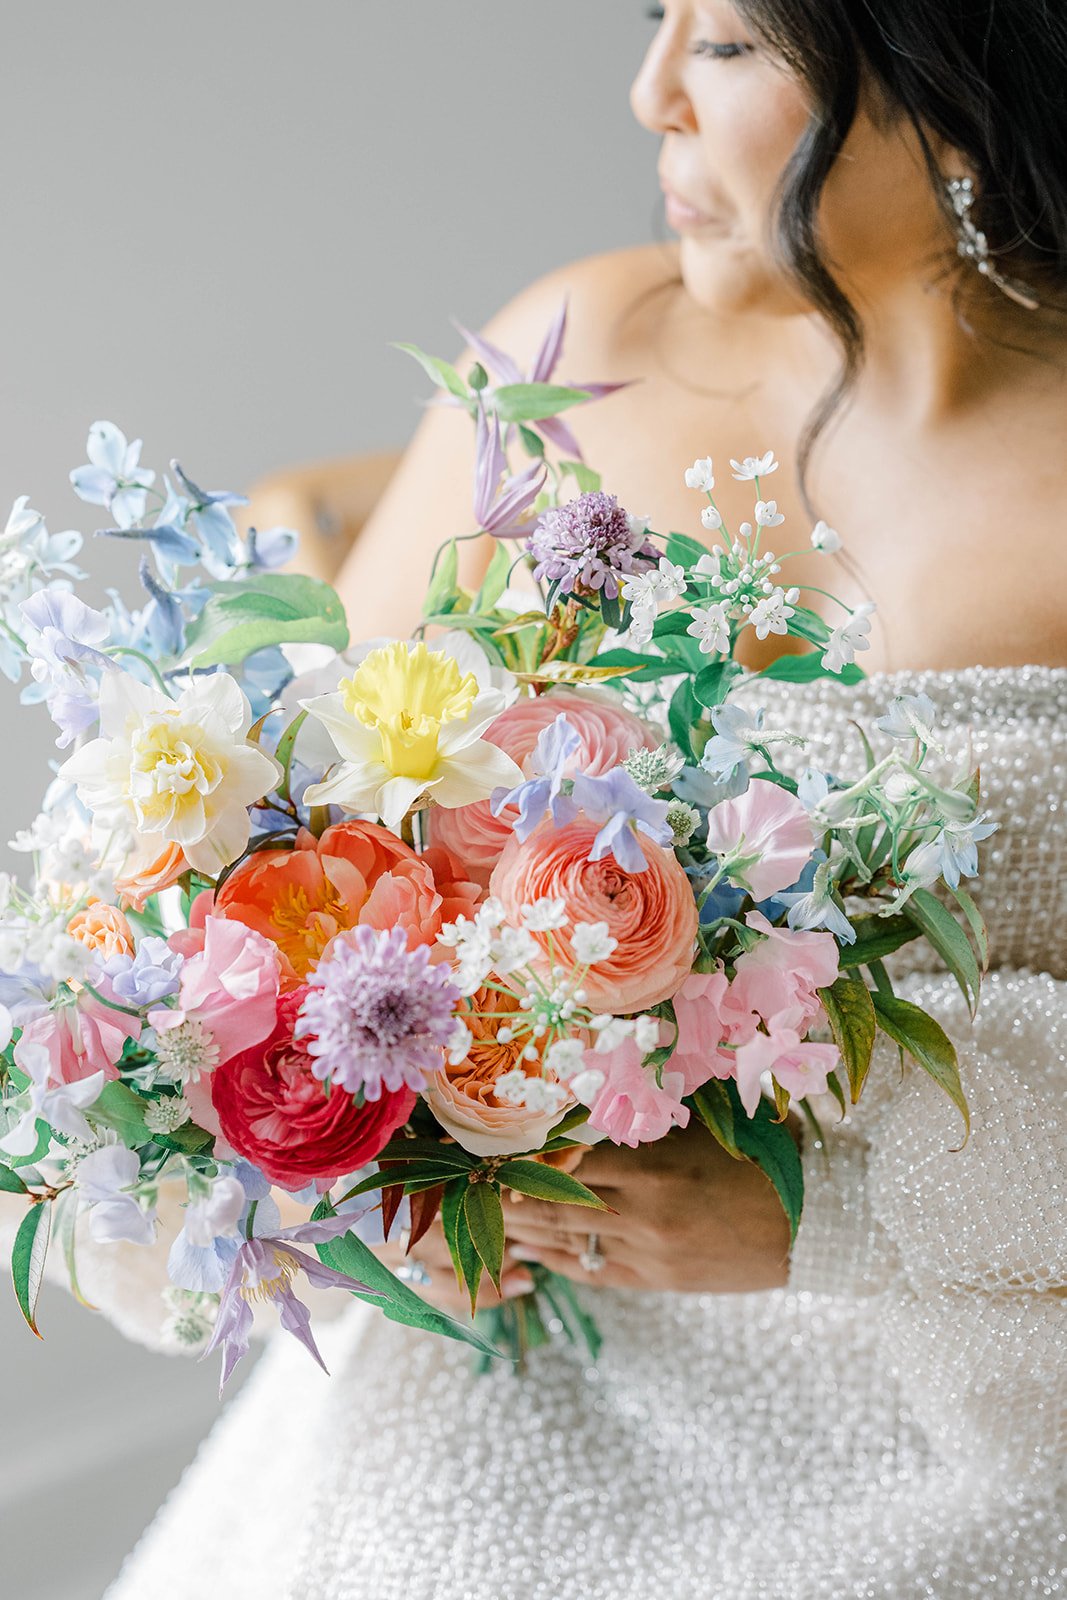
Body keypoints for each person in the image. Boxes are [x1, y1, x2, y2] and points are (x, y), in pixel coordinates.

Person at [104, 3, 1067, 1596]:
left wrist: (827, 1221)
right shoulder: (568, 361)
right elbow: (308, 865)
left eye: (736, 45)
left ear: (966, 76)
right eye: (655, 20)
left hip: (991, 1373)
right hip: (531, 1350)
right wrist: (393, 1184)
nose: (648, 96)